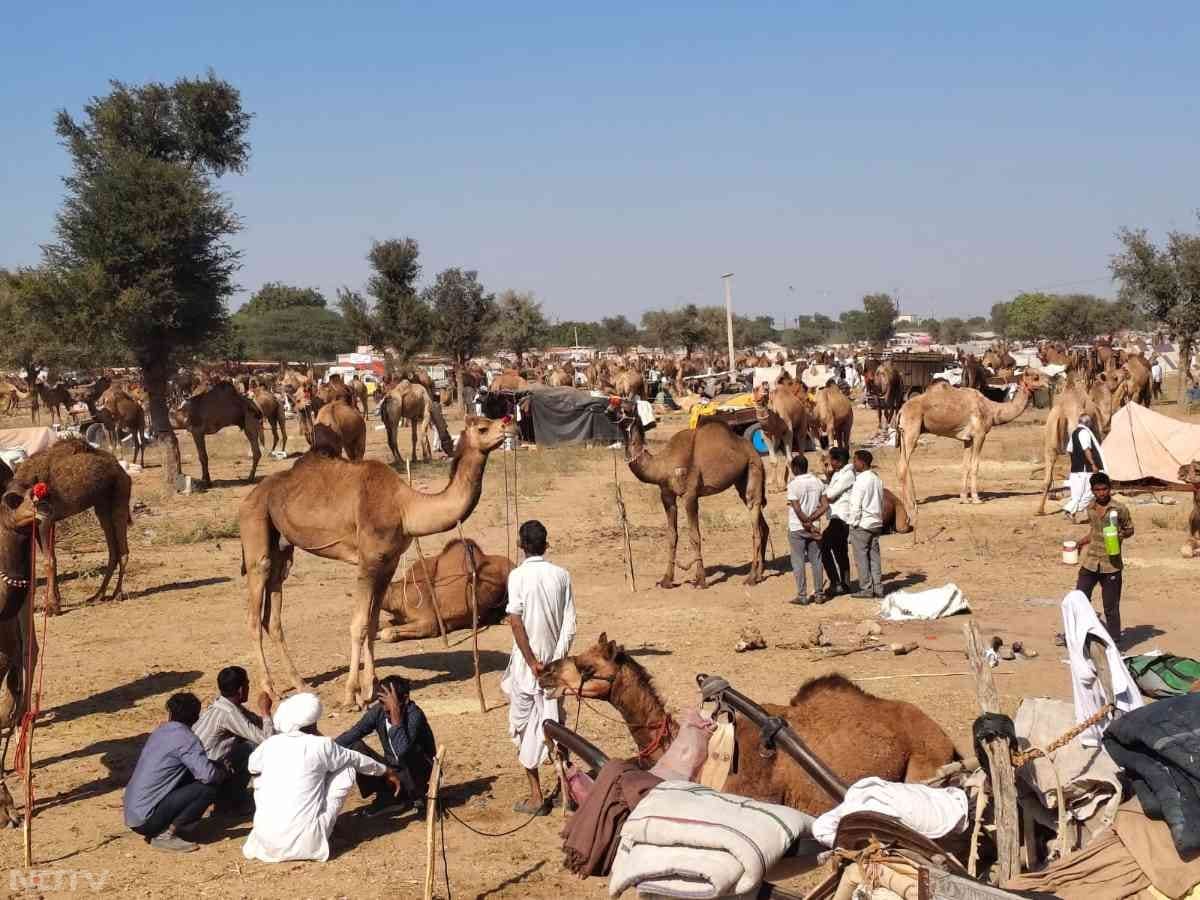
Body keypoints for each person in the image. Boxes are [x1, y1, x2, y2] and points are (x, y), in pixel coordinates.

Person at [242, 692, 403, 864]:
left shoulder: (270, 745)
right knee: (346, 766)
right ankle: (328, 832)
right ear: (314, 722)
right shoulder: (321, 746)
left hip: (266, 844)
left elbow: (253, 766)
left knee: (266, 778)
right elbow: (356, 758)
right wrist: (386, 771)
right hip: (309, 843)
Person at [500, 520, 576, 816]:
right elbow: (570, 623)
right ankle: (564, 789)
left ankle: (536, 796)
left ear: (521, 546)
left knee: (523, 727)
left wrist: (533, 663)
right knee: (556, 725)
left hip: (527, 668)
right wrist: (555, 662)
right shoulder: (562, 575)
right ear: (546, 544)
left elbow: (515, 620)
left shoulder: (517, 577)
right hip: (553, 669)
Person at [124, 692, 228, 853]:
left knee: (199, 773)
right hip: (146, 820)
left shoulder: (161, 732)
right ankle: (165, 835)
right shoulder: (187, 739)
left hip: (133, 812)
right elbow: (207, 776)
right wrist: (222, 772)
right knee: (207, 788)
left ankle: (171, 824)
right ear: (196, 717)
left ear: (170, 713)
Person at [335, 675, 435, 817]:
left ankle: (408, 797)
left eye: (388, 702)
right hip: (392, 772)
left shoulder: (414, 715)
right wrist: (325, 749)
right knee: (355, 746)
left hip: (415, 775)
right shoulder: (379, 711)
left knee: (406, 756)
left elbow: (401, 751)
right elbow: (354, 733)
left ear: (405, 699)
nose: (383, 708)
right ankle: (388, 797)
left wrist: (395, 715)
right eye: (381, 702)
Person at [193, 666, 274, 815]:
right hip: (207, 774)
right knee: (254, 748)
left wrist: (265, 719)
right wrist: (265, 711)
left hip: (200, 769)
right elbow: (267, 740)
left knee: (245, 745)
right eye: (248, 684)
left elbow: (254, 722)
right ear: (241, 690)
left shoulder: (222, 705)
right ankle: (231, 803)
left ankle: (228, 799)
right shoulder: (229, 713)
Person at [1074, 472, 1135, 645]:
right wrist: (1079, 543)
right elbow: (1094, 532)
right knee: (1080, 598)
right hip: (1091, 562)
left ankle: (1115, 641)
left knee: (1110, 607)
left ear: (1110, 489)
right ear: (1092, 491)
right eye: (1097, 490)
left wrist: (1120, 535)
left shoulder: (1119, 509)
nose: (1101, 493)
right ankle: (1081, 636)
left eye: (1104, 489)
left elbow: (1130, 530)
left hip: (1111, 565)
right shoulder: (1091, 507)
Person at [803, 446, 855, 601]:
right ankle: (844, 584)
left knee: (824, 546)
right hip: (836, 517)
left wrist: (823, 495)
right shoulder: (840, 474)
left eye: (832, 459)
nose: (830, 463)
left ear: (838, 460)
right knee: (840, 551)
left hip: (841, 518)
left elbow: (830, 495)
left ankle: (835, 582)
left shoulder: (848, 475)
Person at [847, 449, 886, 598]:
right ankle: (878, 588)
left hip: (862, 524)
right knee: (874, 557)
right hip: (876, 523)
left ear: (862, 463)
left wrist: (853, 524)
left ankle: (866, 588)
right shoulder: (877, 479)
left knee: (861, 558)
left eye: (855, 460)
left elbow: (855, 506)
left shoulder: (861, 481)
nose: (853, 463)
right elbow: (880, 501)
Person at [785, 454, 824, 604]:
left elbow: (796, 508)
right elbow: (825, 504)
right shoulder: (818, 482)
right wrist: (812, 521)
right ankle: (819, 594)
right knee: (817, 561)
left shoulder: (794, 485)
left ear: (795, 468)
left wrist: (806, 522)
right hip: (815, 528)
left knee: (798, 561)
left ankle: (802, 595)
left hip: (797, 528)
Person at [1062, 414, 1103, 521]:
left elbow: (1070, 450)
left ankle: (1072, 512)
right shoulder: (1084, 433)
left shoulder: (1074, 433)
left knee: (1077, 495)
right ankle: (1070, 510)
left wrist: (1076, 461)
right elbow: (1086, 449)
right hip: (1085, 470)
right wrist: (1093, 464)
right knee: (1090, 493)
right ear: (1087, 423)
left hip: (1076, 470)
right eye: (1090, 422)